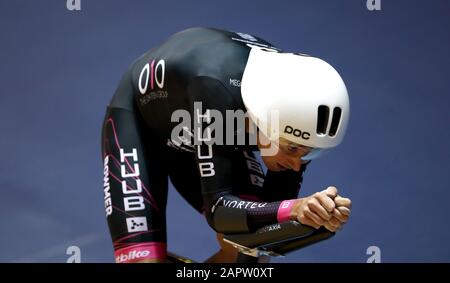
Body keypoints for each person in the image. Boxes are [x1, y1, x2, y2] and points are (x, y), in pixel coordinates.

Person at [101, 27, 352, 263]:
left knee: (249, 255)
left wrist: (313, 218)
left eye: (310, 153)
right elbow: (219, 212)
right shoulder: (216, 88)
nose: (296, 163)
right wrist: (294, 209)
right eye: (293, 149)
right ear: (266, 119)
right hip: (141, 126)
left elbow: (265, 232)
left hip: (208, 125)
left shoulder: (289, 118)